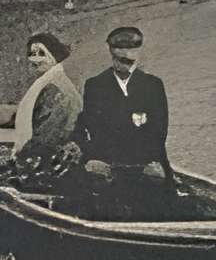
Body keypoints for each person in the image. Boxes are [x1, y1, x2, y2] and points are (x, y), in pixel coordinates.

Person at [72, 25, 179, 219]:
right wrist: (91, 158)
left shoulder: (153, 85)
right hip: (107, 161)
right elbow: (89, 126)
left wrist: (152, 162)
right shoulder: (95, 85)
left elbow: (158, 131)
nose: (127, 61)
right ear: (111, 53)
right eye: (121, 57)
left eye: (132, 54)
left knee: (157, 199)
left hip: (145, 161)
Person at [0, 30, 80, 188]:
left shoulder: (56, 87)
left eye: (42, 54)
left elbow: (48, 136)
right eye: (32, 54)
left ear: (54, 56)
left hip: (48, 165)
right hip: (44, 160)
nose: (35, 59)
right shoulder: (49, 82)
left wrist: (18, 160)